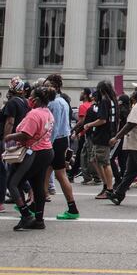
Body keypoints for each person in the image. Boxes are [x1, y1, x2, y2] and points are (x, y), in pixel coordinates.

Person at [4, 86, 56, 231]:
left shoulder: (34, 114)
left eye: (31, 96)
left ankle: (26, 214)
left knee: (13, 183)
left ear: (37, 99)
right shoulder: (48, 113)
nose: (29, 99)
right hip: (46, 151)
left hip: (33, 152)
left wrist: (10, 136)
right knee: (37, 185)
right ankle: (39, 219)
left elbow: (26, 135)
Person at [43, 74, 79, 220]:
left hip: (56, 141)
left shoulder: (55, 103)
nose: (45, 89)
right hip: (61, 140)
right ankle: (36, 205)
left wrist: (48, 145)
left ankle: (72, 208)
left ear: (55, 87)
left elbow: (54, 126)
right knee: (46, 173)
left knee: (59, 175)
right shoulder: (62, 101)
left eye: (47, 86)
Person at [1, 78, 31, 215]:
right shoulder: (25, 102)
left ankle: (24, 194)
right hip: (20, 137)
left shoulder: (12, 103)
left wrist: (5, 140)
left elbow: (10, 121)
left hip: (12, 138)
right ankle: (28, 192)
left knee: (7, 170)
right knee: (14, 168)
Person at [84, 81, 118, 199]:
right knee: (95, 160)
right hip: (108, 134)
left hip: (103, 135)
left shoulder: (104, 101)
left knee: (104, 162)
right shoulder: (113, 100)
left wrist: (89, 124)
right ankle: (106, 185)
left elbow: (103, 120)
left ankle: (108, 188)